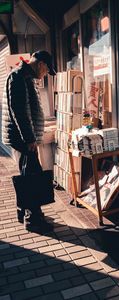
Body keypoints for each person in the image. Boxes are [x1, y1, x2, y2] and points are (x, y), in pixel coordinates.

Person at [2, 50, 56, 233]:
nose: (45, 74)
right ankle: (32, 219)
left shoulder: (25, 77)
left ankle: (25, 212)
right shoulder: (18, 77)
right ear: (40, 64)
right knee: (31, 177)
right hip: (23, 140)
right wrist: (30, 138)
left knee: (28, 176)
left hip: (24, 139)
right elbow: (19, 112)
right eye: (47, 70)